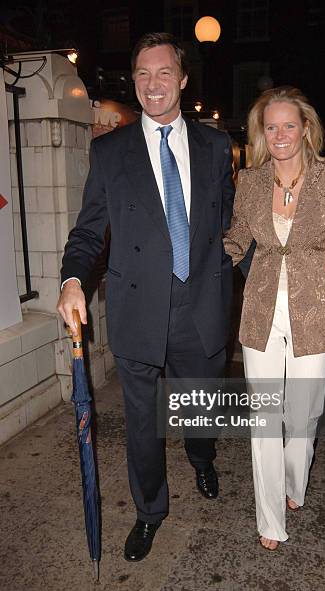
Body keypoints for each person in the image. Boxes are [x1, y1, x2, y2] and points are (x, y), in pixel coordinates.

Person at [57, 32, 234, 561]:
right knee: (142, 423)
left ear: (182, 80)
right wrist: (72, 280)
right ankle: (149, 511)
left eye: (163, 73)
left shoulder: (216, 146)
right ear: (133, 81)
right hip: (139, 308)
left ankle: (202, 459)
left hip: (200, 303)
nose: (152, 84)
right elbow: (90, 231)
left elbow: (231, 228)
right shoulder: (110, 152)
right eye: (142, 73)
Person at [223, 86, 325, 550]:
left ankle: (292, 484)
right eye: (271, 127)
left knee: (303, 418)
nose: (280, 134)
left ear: (305, 128)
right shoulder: (250, 182)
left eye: (289, 125)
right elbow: (236, 241)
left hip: (313, 311)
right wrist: (197, 269)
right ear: (261, 133)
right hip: (261, 311)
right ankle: (269, 519)